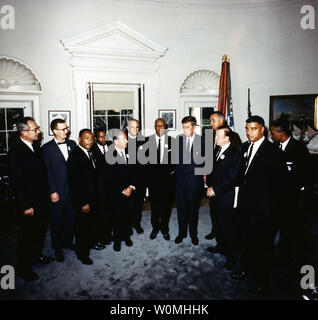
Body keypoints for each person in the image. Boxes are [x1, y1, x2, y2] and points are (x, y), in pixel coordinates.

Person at [233, 115, 287, 298]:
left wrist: (273, 216)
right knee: (246, 243)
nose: (249, 133)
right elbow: (242, 174)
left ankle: (262, 284)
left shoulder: (274, 152)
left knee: (263, 249)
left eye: (253, 129)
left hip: (264, 212)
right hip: (245, 206)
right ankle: (247, 270)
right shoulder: (245, 147)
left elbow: (279, 188)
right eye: (247, 128)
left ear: (262, 129)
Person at [8, 117, 53, 281]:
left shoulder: (35, 147)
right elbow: (17, 182)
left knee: (39, 231)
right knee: (27, 236)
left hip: (41, 201)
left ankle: (36, 256)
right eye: (35, 129)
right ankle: (24, 267)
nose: (38, 132)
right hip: (28, 204)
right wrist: (25, 205)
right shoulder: (15, 151)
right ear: (24, 132)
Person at [269, 119, 311, 265]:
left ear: (281, 133)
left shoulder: (298, 149)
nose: (270, 135)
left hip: (293, 198)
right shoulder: (275, 147)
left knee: (292, 229)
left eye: (272, 132)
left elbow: (303, 176)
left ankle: (291, 259)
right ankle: (281, 251)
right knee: (279, 226)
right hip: (278, 197)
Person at [206, 126, 241, 270]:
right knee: (217, 222)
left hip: (227, 195)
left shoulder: (235, 153)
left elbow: (232, 178)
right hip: (214, 194)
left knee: (228, 226)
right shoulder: (217, 150)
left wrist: (216, 189)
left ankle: (232, 256)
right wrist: (208, 185)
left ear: (227, 138)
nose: (215, 138)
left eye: (217, 136)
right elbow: (212, 170)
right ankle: (221, 246)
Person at [42, 119, 77, 262]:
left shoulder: (72, 144)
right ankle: (57, 249)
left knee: (71, 219)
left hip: (73, 191)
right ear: (54, 131)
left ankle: (68, 242)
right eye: (63, 129)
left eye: (66, 128)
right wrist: (52, 191)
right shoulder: (46, 148)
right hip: (58, 191)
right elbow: (47, 172)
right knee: (57, 222)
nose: (66, 131)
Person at [205, 111, 241, 241]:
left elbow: (234, 168)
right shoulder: (211, 136)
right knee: (215, 213)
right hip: (214, 183)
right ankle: (216, 233)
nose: (211, 124)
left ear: (221, 120)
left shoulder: (232, 137)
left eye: (213, 120)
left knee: (227, 220)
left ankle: (227, 244)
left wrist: (217, 188)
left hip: (226, 189)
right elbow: (212, 158)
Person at [67, 129, 97, 265]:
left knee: (89, 225)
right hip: (82, 200)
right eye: (86, 138)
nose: (90, 141)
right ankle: (82, 254)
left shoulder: (88, 152)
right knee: (81, 228)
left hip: (91, 197)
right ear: (79, 139)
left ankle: (88, 245)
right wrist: (83, 203)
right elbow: (75, 184)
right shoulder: (75, 156)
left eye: (91, 138)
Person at [175, 116, 205, 246]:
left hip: (194, 180)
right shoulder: (178, 140)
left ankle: (193, 234)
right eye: (183, 127)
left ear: (194, 127)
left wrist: (203, 175)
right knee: (181, 208)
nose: (185, 130)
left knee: (193, 209)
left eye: (187, 127)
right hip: (180, 180)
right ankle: (181, 233)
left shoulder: (203, 141)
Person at [105, 130, 137, 252]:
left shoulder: (131, 153)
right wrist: (122, 190)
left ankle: (127, 237)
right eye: (124, 139)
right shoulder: (109, 155)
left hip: (130, 192)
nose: (127, 141)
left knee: (128, 215)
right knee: (117, 217)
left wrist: (131, 187)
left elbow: (135, 172)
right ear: (116, 141)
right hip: (116, 194)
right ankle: (117, 240)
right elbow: (108, 178)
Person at [146, 118, 176, 241]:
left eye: (162, 126)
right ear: (155, 127)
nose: (160, 128)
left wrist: (171, 173)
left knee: (166, 207)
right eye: (158, 126)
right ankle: (155, 228)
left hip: (168, 181)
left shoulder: (172, 142)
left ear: (165, 128)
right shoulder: (147, 141)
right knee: (155, 207)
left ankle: (165, 229)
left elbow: (175, 161)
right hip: (153, 182)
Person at [90, 127, 112, 249]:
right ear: (95, 138)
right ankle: (101, 237)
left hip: (111, 186)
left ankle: (109, 234)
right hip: (99, 188)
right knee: (100, 214)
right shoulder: (91, 149)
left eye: (104, 136)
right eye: (100, 136)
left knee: (110, 211)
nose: (103, 139)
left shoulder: (111, 145)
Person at [126, 119, 147, 235]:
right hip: (127, 180)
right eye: (133, 127)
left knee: (138, 204)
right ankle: (128, 225)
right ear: (128, 128)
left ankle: (137, 223)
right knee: (128, 204)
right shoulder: (123, 141)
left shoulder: (144, 141)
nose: (136, 129)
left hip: (140, 179)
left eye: (138, 127)